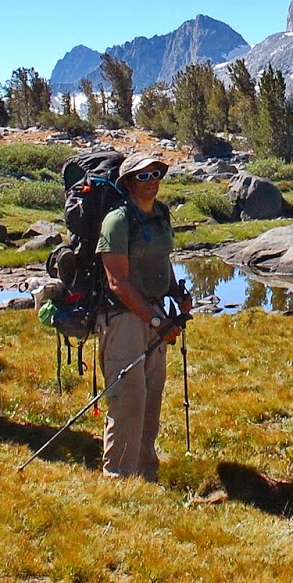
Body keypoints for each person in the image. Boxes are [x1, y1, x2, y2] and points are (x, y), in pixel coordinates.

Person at [96, 152, 189, 480]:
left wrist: (177, 293)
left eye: (155, 174)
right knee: (128, 400)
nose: (151, 182)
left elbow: (163, 259)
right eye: (143, 176)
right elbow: (116, 282)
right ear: (128, 182)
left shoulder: (161, 215)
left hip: (156, 317)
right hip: (124, 320)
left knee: (151, 398)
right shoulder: (117, 221)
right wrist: (155, 320)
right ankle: (119, 477)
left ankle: (146, 476)